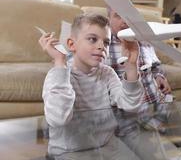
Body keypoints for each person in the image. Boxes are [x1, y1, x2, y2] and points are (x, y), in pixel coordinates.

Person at [38, 13, 144, 160]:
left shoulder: (107, 73)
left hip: (106, 146)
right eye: (92, 39)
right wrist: (59, 62)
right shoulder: (57, 75)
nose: (101, 46)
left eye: (106, 42)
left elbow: (130, 104)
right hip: (69, 152)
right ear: (71, 44)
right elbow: (58, 118)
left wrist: (132, 66)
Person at [106, 7, 173, 132]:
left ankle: (165, 128)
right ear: (108, 19)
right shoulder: (104, 44)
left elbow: (155, 64)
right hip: (131, 113)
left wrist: (159, 76)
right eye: (118, 16)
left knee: (173, 113)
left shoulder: (143, 40)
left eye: (128, 16)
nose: (125, 21)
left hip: (155, 102)